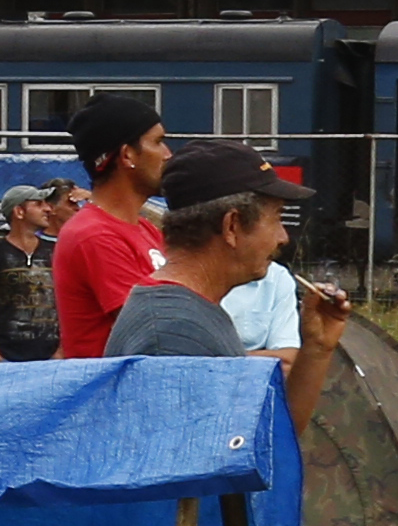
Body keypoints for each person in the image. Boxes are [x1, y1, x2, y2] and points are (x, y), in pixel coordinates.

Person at [97, 141, 340, 411]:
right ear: (232, 226)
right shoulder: (172, 337)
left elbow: (264, 444)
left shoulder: (194, 313)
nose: (283, 237)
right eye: (276, 218)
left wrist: (317, 349)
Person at [49, 92, 176, 362]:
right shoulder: (95, 235)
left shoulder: (145, 229)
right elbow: (157, 334)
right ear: (128, 154)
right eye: (158, 142)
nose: (168, 154)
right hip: (113, 398)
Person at [0, 181, 72, 364]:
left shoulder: (58, 251)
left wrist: (62, 350)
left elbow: (72, 303)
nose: (48, 209)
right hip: (7, 356)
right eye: (38, 204)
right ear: (19, 212)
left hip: (52, 357)